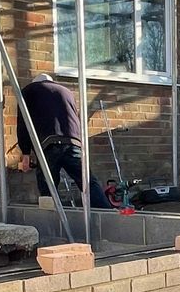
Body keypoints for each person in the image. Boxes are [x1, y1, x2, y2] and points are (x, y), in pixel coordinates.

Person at [16, 72, 112, 209]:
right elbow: (75, 119)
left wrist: (25, 153)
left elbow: (22, 122)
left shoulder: (29, 90)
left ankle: (51, 221)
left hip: (49, 143)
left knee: (48, 186)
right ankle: (106, 214)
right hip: (73, 142)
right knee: (88, 182)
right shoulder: (66, 92)